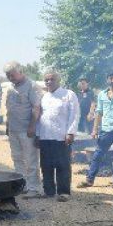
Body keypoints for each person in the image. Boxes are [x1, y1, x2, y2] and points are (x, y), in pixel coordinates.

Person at [77, 71, 113, 189]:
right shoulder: (102, 95)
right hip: (105, 130)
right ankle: (89, 180)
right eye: (111, 78)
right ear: (108, 80)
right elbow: (99, 113)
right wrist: (95, 129)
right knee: (97, 155)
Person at [37, 71, 80, 201]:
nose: (49, 82)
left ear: (58, 80)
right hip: (45, 136)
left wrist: (71, 132)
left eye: (52, 79)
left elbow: (75, 114)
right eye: (46, 80)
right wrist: (38, 135)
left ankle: (63, 192)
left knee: (63, 165)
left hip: (61, 136)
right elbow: (40, 117)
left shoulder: (68, 95)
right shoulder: (44, 97)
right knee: (46, 165)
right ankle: (49, 191)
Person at [3, 61, 43, 196]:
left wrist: (32, 126)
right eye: (8, 75)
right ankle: (22, 185)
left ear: (21, 72)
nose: (10, 78)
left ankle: (34, 188)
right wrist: (8, 126)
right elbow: (9, 109)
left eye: (12, 75)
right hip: (14, 129)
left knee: (31, 160)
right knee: (17, 158)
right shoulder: (10, 88)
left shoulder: (32, 86)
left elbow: (36, 108)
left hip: (26, 130)